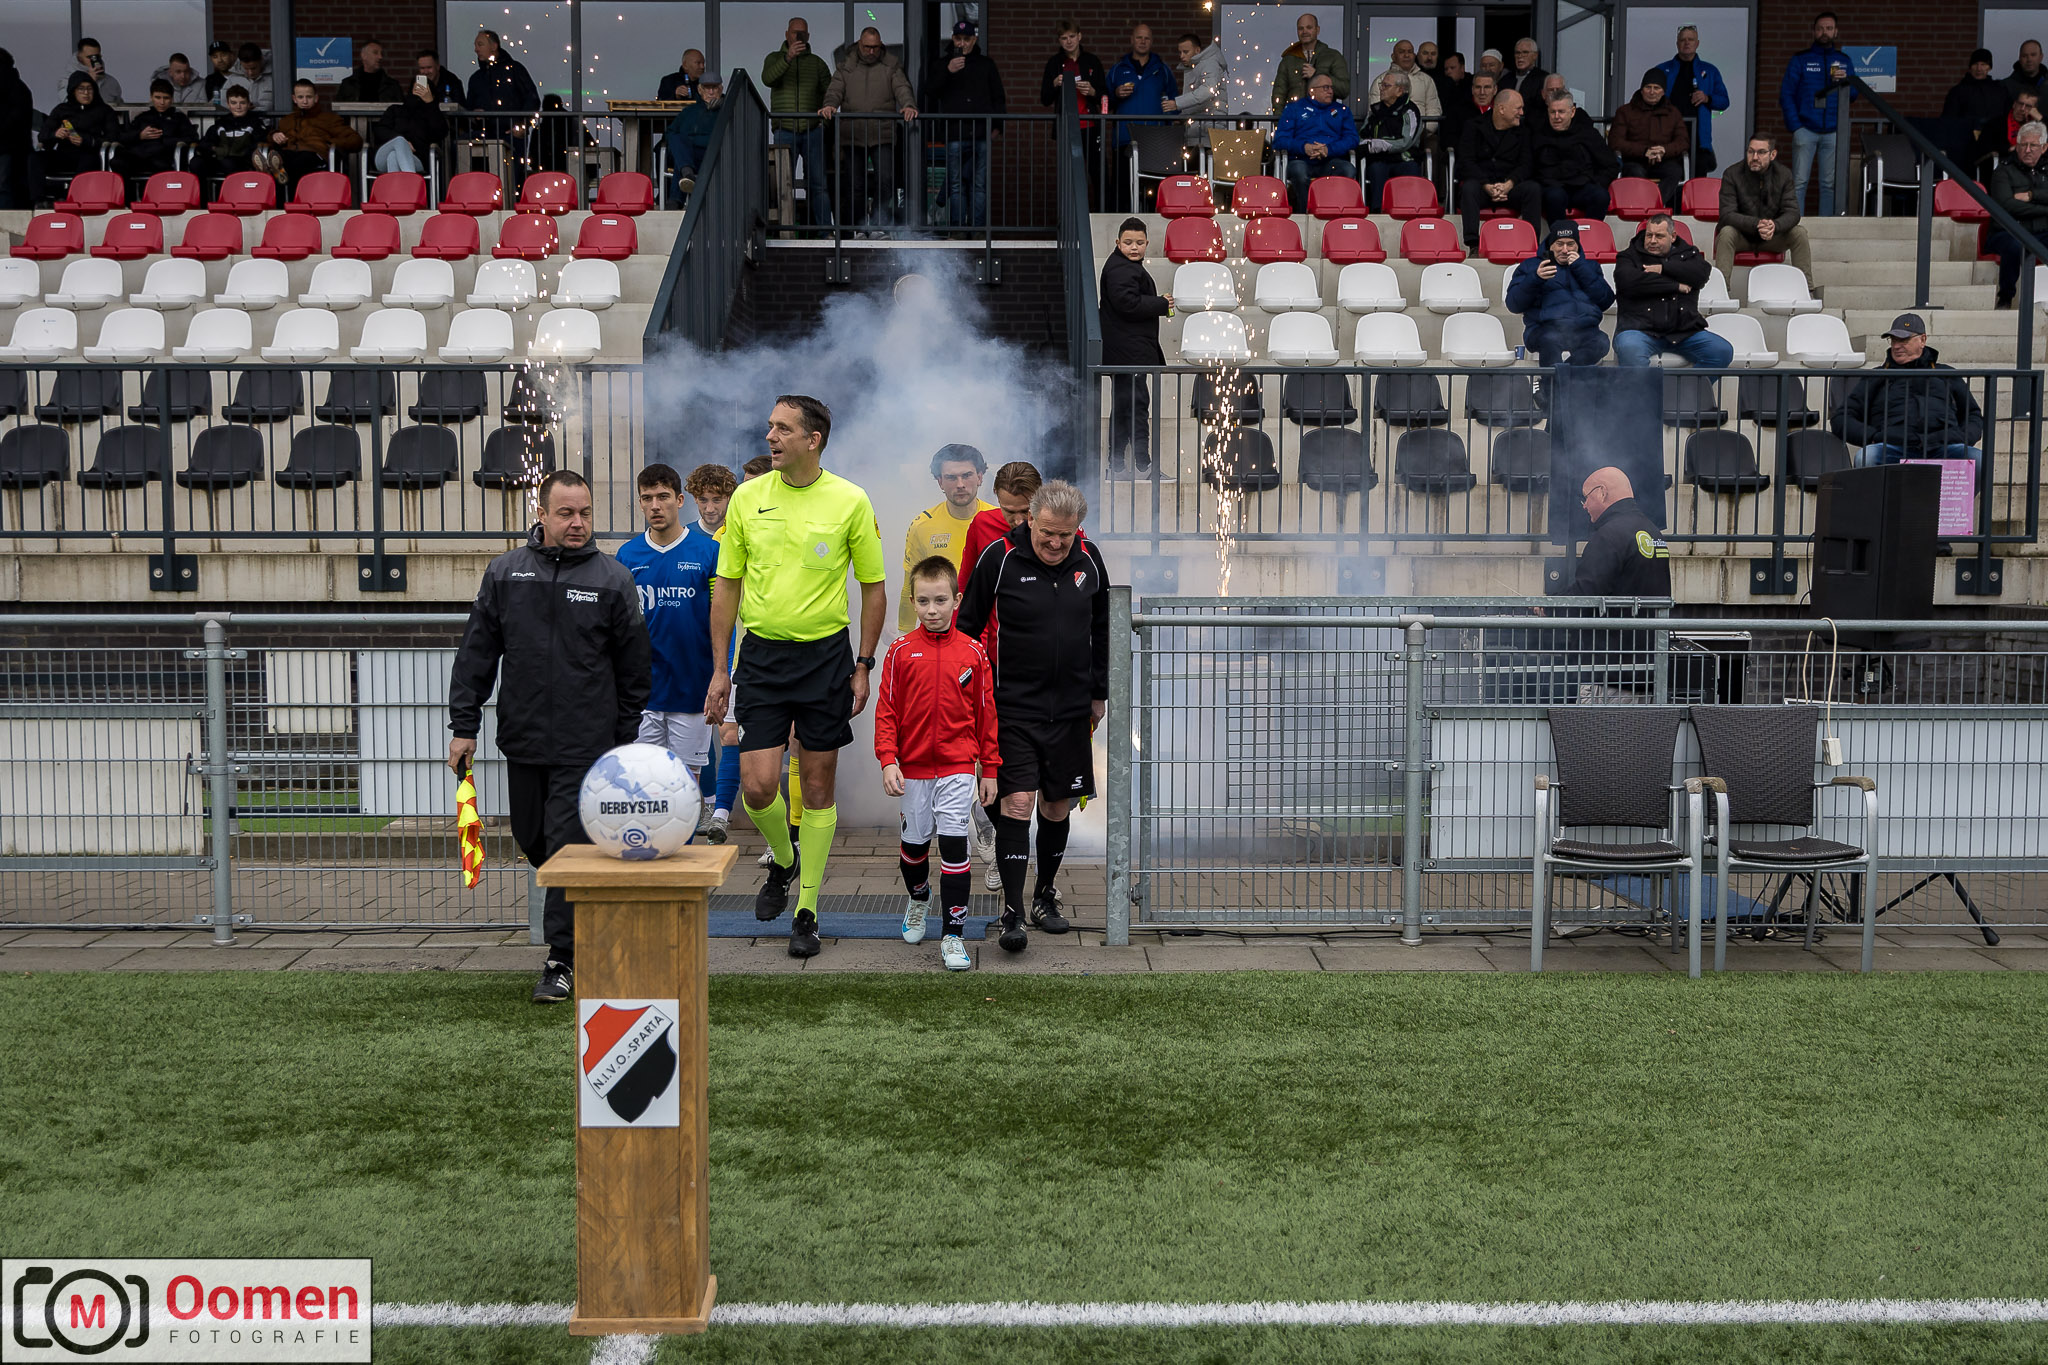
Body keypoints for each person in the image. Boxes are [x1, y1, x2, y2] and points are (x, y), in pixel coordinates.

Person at [447, 469, 650, 1005]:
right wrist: (464, 726)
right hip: (524, 738)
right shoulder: (506, 572)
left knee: (564, 845)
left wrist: (622, 736)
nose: (578, 522)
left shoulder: (613, 578)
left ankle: (562, 959)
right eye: (566, 513)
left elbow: (635, 668)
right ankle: (590, 905)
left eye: (585, 512)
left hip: (587, 744)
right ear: (541, 514)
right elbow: (477, 653)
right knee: (534, 840)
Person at [703, 396, 888, 959]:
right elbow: (727, 585)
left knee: (817, 786)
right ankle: (784, 860)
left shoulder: (851, 499)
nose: (770, 437)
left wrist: (863, 663)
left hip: (826, 659)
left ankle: (807, 910)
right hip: (760, 658)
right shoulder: (747, 498)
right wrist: (720, 670)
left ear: (814, 439)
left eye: (782, 429)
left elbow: (874, 588)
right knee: (758, 786)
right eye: (769, 427)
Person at [956, 480, 1110, 953]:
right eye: (1048, 533)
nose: (1056, 543)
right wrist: (972, 694)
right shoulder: (1000, 556)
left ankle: (1045, 896)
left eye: (1066, 534)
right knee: (1017, 803)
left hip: (1071, 711)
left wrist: (1099, 693)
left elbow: (1103, 626)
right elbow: (967, 629)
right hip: (1012, 708)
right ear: (1030, 520)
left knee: (1056, 806)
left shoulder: (1090, 559)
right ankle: (1013, 912)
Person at [875, 556, 1000, 971]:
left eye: (941, 600)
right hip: (911, 770)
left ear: (956, 601)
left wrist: (989, 768)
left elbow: (986, 715)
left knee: (954, 847)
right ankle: (919, 898)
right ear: (912, 601)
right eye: (924, 601)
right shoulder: (900, 651)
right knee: (913, 851)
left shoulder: (973, 653)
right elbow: (887, 711)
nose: (932, 610)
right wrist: (888, 760)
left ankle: (952, 935)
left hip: (958, 767)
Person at [617, 464, 720, 812]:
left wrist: (721, 674)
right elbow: (621, 627)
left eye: (663, 497)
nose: (655, 506)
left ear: (679, 500)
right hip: (642, 694)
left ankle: (684, 845)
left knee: (684, 789)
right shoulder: (627, 555)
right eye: (647, 498)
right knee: (643, 786)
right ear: (640, 503)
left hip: (692, 690)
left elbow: (720, 620)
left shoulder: (707, 551)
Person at [1840, 315, 1984, 467]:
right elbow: (1842, 417)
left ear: (1923, 340)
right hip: (1892, 448)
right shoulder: (1877, 376)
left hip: (1942, 447)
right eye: (1893, 340)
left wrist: (1960, 438)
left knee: (1978, 459)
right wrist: (1873, 437)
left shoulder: (1946, 374)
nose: (1896, 346)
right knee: (1866, 457)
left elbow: (1972, 415)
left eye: (1903, 340)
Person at [821, 28, 917, 229]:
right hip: (853, 134)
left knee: (886, 181)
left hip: (882, 133)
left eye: (875, 47)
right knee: (855, 185)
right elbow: (834, 90)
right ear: (859, 44)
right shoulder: (846, 67)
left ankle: (877, 224)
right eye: (867, 47)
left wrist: (908, 105)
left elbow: (902, 88)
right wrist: (830, 105)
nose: (872, 51)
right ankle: (858, 227)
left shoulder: (891, 65)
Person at [1613, 212, 1731, 369]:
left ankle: (1689, 387)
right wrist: (1676, 286)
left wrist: (1663, 269)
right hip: (1639, 330)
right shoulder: (1628, 256)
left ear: (1673, 236)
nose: (1652, 241)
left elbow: (1701, 274)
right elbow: (1628, 283)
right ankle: (1647, 387)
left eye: (1659, 236)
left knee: (1722, 351)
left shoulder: (1689, 255)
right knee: (1630, 348)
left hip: (1684, 332)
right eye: (1649, 235)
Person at [1099, 217, 1169, 474]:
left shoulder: (1123, 266)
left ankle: (1118, 466)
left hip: (1126, 352)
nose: (1134, 247)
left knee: (1125, 407)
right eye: (1128, 242)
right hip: (1129, 353)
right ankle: (1141, 465)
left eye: (1139, 243)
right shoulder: (1121, 269)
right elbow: (1127, 303)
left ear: (1147, 243)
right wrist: (1162, 303)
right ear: (1118, 242)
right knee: (1136, 407)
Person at [900, 443, 995, 631]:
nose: (960, 484)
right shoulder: (922, 525)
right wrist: (904, 631)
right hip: (943, 631)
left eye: (967, 475)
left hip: (990, 630)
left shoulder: (999, 520)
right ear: (940, 482)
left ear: (980, 477)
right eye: (951, 478)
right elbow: (910, 584)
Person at [1505, 219, 1613, 367]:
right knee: (1550, 340)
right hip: (1543, 329)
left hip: (1584, 330)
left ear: (1577, 245)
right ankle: (1557, 380)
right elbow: (1514, 305)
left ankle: (1560, 378)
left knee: (1601, 342)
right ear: (1551, 245)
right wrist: (1535, 278)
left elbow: (1606, 301)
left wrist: (1581, 268)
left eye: (1570, 244)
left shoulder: (1589, 266)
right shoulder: (1531, 266)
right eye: (1559, 244)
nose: (1565, 250)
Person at [1716, 134, 1814, 288]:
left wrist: (1775, 226)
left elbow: (1793, 212)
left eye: (1761, 152)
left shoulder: (1783, 175)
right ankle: (1720, 289)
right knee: (1726, 232)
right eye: (1751, 151)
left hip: (1772, 237)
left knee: (1799, 233)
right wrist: (1757, 224)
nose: (1755, 157)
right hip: (1742, 236)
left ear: (1772, 155)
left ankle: (1806, 290)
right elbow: (1727, 214)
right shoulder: (1732, 174)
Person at [764, 17, 834, 228]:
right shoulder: (774, 58)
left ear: (808, 36)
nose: (798, 36)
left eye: (802, 33)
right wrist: (788, 58)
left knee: (818, 184)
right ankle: (782, 230)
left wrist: (824, 124)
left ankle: (825, 231)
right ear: (787, 34)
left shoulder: (817, 63)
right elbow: (768, 79)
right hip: (784, 129)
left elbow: (831, 95)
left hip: (813, 130)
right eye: (795, 33)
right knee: (782, 185)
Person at [1779, 11, 1850, 217]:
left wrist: (1845, 82)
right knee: (1799, 182)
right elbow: (1786, 94)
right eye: (1820, 28)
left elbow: (1854, 94)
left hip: (1833, 130)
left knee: (1829, 184)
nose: (1824, 32)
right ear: (1814, 32)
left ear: (1836, 32)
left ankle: (1826, 226)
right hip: (1805, 129)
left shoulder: (1844, 60)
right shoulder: (1801, 59)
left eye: (1829, 28)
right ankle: (1796, 226)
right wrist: (1796, 126)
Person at [1456, 86, 1540, 248]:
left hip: (1510, 188)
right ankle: (1473, 245)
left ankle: (1532, 244)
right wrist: (1486, 184)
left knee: (1533, 189)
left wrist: (1509, 184)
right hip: (1483, 186)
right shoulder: (1473, 126)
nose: (1522, 113)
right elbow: (1466, 162)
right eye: (1518, 108)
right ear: (1501, 109)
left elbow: (1526, 164)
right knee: (1468, 188)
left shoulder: (1524, 131)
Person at [1575, 467, 1670, 597]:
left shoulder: (1607, 537)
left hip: (1620, 611)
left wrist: (1552, 604)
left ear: (1602, 493)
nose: (1584, 505)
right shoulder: (1653, 531)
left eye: (1586, 497)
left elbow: (1586, 592)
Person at [1107, 22, 1177, 194]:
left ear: (1152, 41)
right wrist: (1116, 93)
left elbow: (1174, 102)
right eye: (1139, 37)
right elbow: (1104, 102)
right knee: (1123, 190)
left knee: (1152, 190)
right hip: (1125, 138)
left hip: (1155, 139)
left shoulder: (1162, 70)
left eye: (1147, 38)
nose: (1143, 41)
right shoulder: (1117, 70)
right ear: (1132, 40)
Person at [1275, 73, 1359, 214]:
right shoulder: (1294, 109)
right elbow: (1280, 140)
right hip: (1301, 159)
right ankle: (1305, 213)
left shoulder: (1341, 111)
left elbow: (1352, 139)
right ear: (1312, 91)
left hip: (1331, 160)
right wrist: (1304, 147)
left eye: (1331, 87)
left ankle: (1335, 212)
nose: (1330, 91)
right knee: (1299, 172)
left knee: (1348, 170)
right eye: (1326, 87)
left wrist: (1328, 149)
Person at [1041, 22, 1106, 204]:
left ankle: (1101, 212)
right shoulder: (1055, 63)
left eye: (1071, 36)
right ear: (1059, 41)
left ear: (1079, 36)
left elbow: (1104, 94)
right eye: (1064, 38)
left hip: (1090, 126)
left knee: (1098, 172)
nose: (1068, 41)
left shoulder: (1092, 61)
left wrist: (1092, 91)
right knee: (1068, 175)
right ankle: (1069, 214)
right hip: (1067, 128)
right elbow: (1044, 99)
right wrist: (1055, 83)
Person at [1987, 120, 2048, 309]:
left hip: (2042, 231)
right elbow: (2007, 205)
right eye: (2023, 145)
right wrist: (2044, 209)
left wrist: (2031, 195)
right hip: (2009, 231)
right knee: (2015, 246)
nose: (2027, 150)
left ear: (2044, 147)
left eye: (2033, 145)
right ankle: (2005, 298)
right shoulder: (2003, 171)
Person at [1534, 88, 1616, 222]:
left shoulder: (1588, 134)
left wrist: (1596, 182)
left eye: (1561, 112)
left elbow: (1611, 165)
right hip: (1551, 188)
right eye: (1552, 112)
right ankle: (1559, 234)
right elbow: (1530, 166)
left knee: (1601, 196)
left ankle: (1589, 232)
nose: (1556, 117)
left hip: (1583, 186)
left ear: (1572, 112)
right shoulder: (1538, 135)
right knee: (1554, 197)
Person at [1656, 25, 1730, 175]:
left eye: (1690, 39)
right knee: (1671, 178)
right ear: (1677, 44)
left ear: (1697, 43)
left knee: (1697, 183)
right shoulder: (1662, 70)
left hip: (1698, 139)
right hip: (1669, 137)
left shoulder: (1710, 71)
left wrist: (1707, 98)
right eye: (1683, 40)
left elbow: (1724, 101)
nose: (1687, 43)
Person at [1609, 69, 1686, 210]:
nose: (1652, 92)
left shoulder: (1673, 113)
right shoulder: (1625, 111)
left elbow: (1683, 142)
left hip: (1663, 161)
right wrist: (1644, 151)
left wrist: (1664, 150)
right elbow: (1615, 142)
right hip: (1634, 161)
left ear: (1663, 91)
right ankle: (1642, 208)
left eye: (1656, 88)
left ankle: (1654, 205)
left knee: (1675, 171)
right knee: (1635, 172)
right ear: (1641, 89)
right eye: (1648, 87)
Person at [270, 80, 364, 191]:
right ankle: (278, 173)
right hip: (291, 154)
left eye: (309, 97)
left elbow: (355, 140)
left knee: (298, 161)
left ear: (316, 98)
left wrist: (329, 142)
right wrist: (274, 136)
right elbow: (269, 141)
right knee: (280, 156)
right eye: (300, 97)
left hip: (315, 155)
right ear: (294, 99)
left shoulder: (329, 119)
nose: (305, 101)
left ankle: (280, 175)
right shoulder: (286, 121)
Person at [1359, 68, 1423, 211]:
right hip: (1379, 160)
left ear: (1400, 91)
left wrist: (1379, 144)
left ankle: (1410, 213)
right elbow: (1362, 136)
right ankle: (1377, 214)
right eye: (1381, 85)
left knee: (1411, 168)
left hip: (1404, 158)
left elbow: (1405, 142)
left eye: (1386, 85)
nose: (1381, 88)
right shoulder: (1375, 111)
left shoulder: (1410, 111)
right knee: (1376, 169)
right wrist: (1368, 144)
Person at [39, 73, 120, 184]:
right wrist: (55, 134)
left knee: (88, 160)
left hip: (91, 153)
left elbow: (113, 137)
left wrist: (87, 141)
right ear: (73, 91)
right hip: (64, 154)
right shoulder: (61, 109)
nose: (86, 93)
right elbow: (43, 135)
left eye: (89, 89)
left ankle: (75, 193)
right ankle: (38, 195)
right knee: (36, 158)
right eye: (81, 89)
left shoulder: (104, 110)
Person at [113, 80, 198, 179]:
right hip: (139, 156)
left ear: (172, 99)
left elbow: (192, 138)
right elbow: (122, 137)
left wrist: (164, 140)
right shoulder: (143, 117)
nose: (162, 102)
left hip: (164, 156)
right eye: (158, 97)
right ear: (151, 97)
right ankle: (128, 189)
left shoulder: (179, 118)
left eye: (166, 98)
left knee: (160, 164)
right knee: (117, 162)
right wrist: (140, 135)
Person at [662, 71, 722, 205]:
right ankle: (687, 173)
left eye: (714, 88)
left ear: (720, 89)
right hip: (689, 154)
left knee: (682, 160)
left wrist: (723, 105)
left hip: (712, 154)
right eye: (707, 88)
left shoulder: (726, 111)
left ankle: (675, 199)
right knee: (677, 140)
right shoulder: (689, 111)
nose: (711, 92)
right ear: (700, 90)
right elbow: (669, 133)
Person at [370, 76, 449, 175]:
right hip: (383, 156)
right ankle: (412, 180)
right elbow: (380, 130)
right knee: (399, 141)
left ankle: (402, 184)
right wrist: (404, 143)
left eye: (424, 89)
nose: (420, 91)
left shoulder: (430, 114)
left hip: (416, 158)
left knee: (393, 157)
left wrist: (430, 104)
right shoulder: (395, 110)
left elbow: (440, 132)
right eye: (417, 88)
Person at [1270, 13, 1348, 110]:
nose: (1304, 31)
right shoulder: (1288, 60)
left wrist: (1317, 75)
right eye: (1301, 28)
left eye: (1309, 27)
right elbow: (1279, 95)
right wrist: (1281, 119)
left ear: (1317, 30)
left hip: (1324, 117)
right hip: (1296, 118)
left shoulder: (1332, 56)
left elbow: (1344, 90)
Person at [1950, 50, 2012, 166]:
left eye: (1983, 64)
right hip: (1966, 144)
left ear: (1989, 67)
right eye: (1975, 64)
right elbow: (1949, 120)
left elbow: (2008, 117)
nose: (1979, 68)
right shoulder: (1958, 91)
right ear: (1970, 67)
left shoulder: (2000, 91)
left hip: (1996, 143)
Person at [1170, 32, 1227, 147]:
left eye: (1185, 52)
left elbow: (1208, 90)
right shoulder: (1197, 66)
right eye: (1180, 52)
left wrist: (1178, 103)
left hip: (1209, 132)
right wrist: (1182, 117)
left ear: (1197, 50)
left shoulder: (1210, 64)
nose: (1181, 56)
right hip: (1201, 131)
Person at [467, 29, 539, 119]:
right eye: (475, 45)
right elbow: (469, 108)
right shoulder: (476, 78)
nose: (476, 49)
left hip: (510, 127)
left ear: (494, 46)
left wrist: (520, 123)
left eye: (480, 45)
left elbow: (532, 99)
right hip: (485, 128)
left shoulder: (515, 70)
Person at [195, 85, 268, 174]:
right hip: (220, 159)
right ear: (228, 104)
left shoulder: (254, 122)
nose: (238, 107)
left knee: (228, 163)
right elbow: (205, 142)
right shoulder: (222, 122)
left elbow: (260, 142)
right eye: (234, 103)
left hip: (243, 161)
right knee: (196, 163)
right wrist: (214, 149)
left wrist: (240, 152)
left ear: (248, 104)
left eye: (242, 103)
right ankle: (202, 184)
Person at [1440, 69, 1493, 176]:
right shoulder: (1457, 110)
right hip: (1468, 164)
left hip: (1497, 165)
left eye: (1487, 87)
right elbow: (1448, 140)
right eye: (1478, 87)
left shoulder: (1502, 111)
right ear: (1472, 89)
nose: (1482, 92)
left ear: (1495, 90)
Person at [0, 49, 30, 211]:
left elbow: (14, 119)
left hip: (8, 147)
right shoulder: (19, 86)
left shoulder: (12, 87)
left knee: (5, 187)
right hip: (13, 147)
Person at [57, 38, 123, 108]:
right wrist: (89, 81)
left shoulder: (111, 82)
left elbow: (120, 108)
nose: (94, 61)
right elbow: (70, 107)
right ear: (79, 57)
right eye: (90, 57)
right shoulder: (66, 81)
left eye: (97, 57)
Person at [1389, 40, 1441, 125]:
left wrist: (1425, 130)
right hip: (1391, 132)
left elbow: (1433, 110)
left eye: (1410, 52)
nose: (1406, 55)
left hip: (1423, 132)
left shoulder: (1427, 80)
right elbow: (1376, 110)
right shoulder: (1381, 80)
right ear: (1393, 56)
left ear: (1414, 56)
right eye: (1401, 52)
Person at [338, 41, 406, 105]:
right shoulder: (348, 84)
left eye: (381, 53)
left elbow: (401, 109)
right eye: (375, 53)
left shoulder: (392, 85)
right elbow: (339, 109)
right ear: (363, 55)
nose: (380, 57)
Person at [224, 43, 274, 112]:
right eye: (246, 68)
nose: (250, 73)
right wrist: (239, 108)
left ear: (261, 60)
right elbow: (222, 104)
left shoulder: (275, 76)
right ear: (240, 63)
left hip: (270, 119)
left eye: (253, 68)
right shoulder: (232, 80)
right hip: (241, 118)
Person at [1502, 38, 1547, 103]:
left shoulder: (1543, 79)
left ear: (1535, 55)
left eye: (1525, 52)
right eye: (1517, 53)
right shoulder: (1506, 79)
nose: (1520, 56)